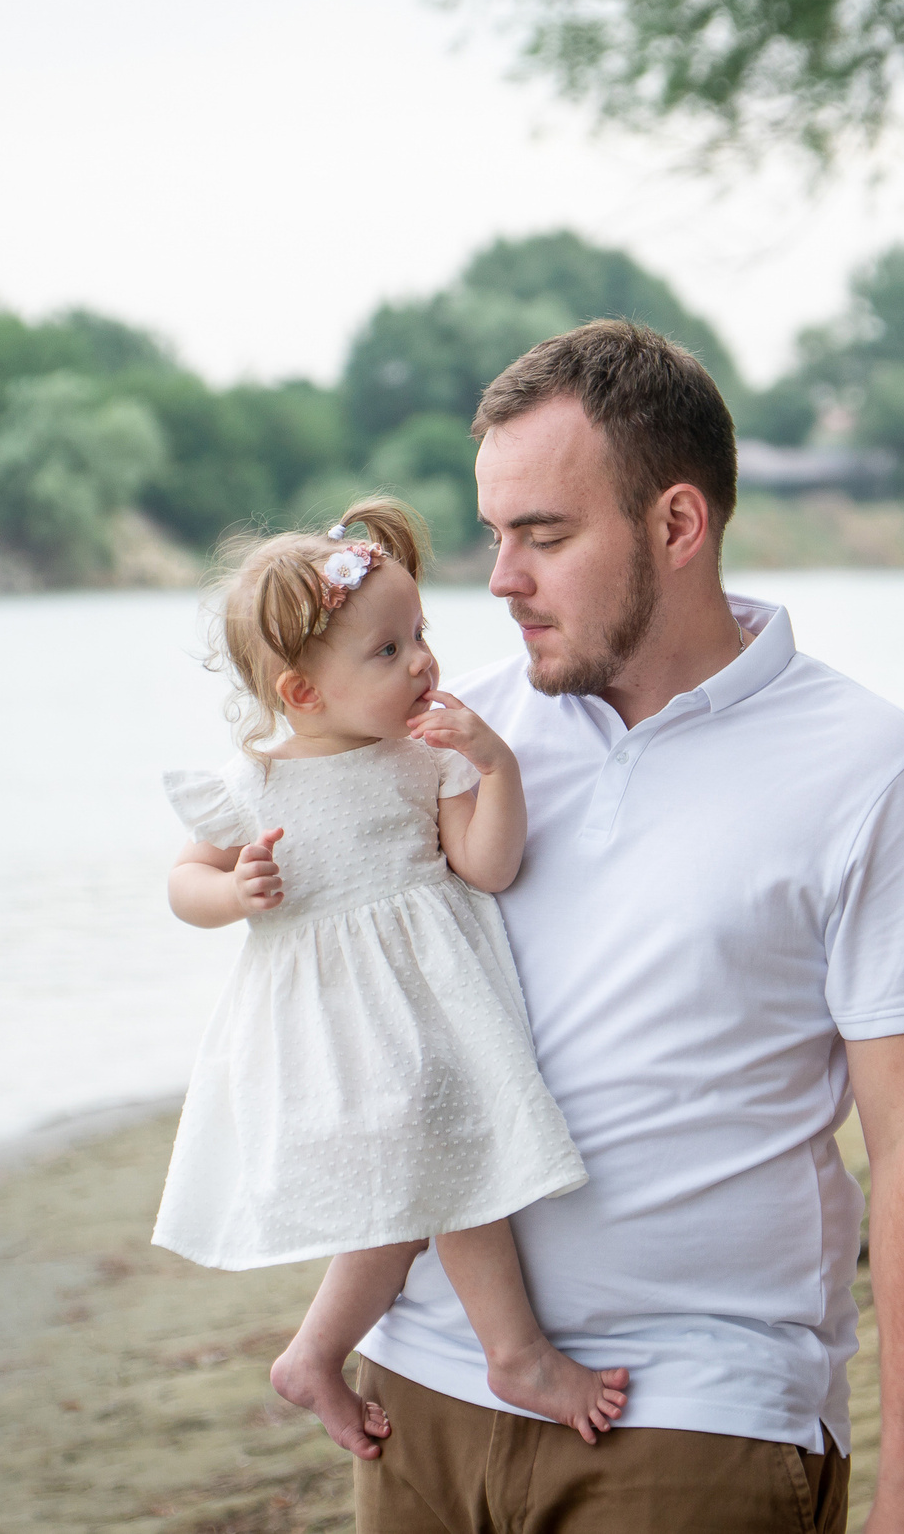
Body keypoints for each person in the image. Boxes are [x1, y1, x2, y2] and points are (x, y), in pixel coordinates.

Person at [353, 321, 904, 1534]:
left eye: (543, 536)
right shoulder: (447, 742)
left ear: (677, 527)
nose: (501, 580)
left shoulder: (871, 771)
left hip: (698, 1407)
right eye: (495, 536)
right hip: (424, 1383)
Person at [159, 498, 629, 1458]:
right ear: (301, 693)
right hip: (334, 1033)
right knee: (428, 1176)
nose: (422, 660)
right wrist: (235, 892)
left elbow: (487, 866)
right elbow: (183, 882)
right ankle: (483, 1351)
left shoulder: (426, 759)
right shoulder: (256, 785)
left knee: (443, 1175)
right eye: (387, 651)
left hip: (431, 1020)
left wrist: (494, 766)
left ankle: (371, 1353)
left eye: (420, 634)